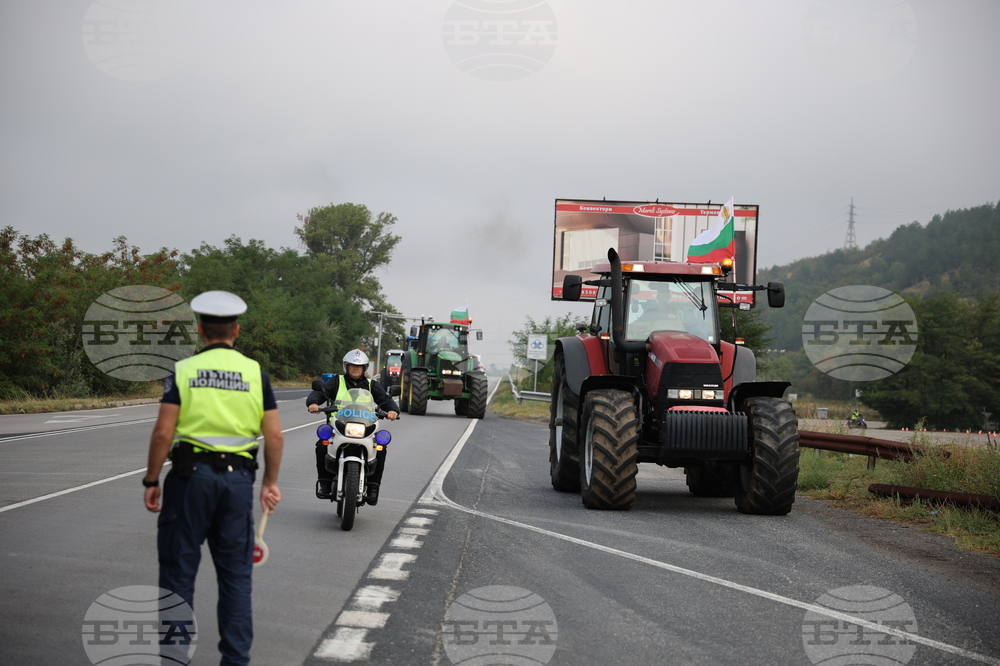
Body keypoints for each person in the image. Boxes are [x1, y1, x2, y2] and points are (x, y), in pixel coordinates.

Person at [143, 290, 283, 666]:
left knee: (177, 578)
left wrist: (151, 480)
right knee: (236, 580)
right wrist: (269, 483)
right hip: (237, 484)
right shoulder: (256, 373)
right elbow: (274, 436)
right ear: (235, 331)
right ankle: (235, 661)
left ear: (201, 330)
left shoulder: (183, 371)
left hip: (189, 481)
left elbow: (162, 433)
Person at [307, 348, 399, 505]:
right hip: (338, 428)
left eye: (359, 366)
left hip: (365, 429)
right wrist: (314, 403)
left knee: (381, 449)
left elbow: (385, 399)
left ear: (364, 368)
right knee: (321, 446)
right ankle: (325, 483)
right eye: (352, 366)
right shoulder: (337, 381)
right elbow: (321, 393)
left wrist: (392, 410)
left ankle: (373, 487)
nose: (355, 369)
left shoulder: (372, 385)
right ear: (346, 367)